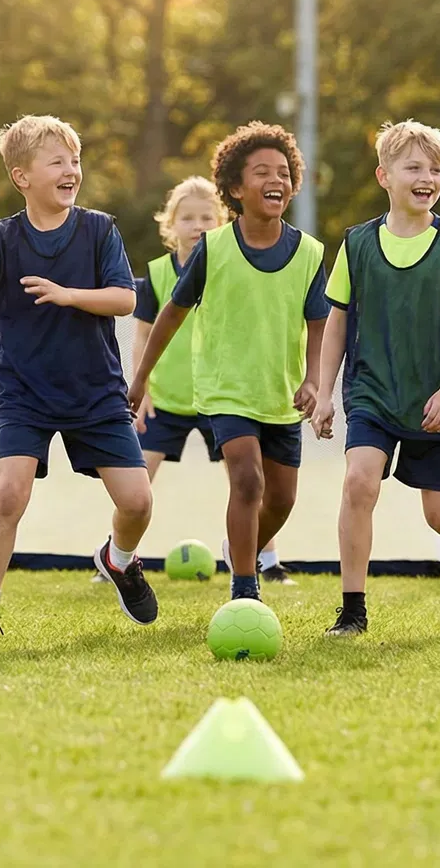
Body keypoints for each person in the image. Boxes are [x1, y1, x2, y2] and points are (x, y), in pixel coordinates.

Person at [0, 115, 157, 640]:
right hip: (24, 392)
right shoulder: (1, 237)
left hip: (95, 391)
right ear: (21, 177)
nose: (70, 170)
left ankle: (119, 558)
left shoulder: (99, 229)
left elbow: (126, 298)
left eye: (74, 161)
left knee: (137, 502)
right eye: (56, 161)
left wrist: (68, 294)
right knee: (8, 493)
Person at [310, 121, 440, 635]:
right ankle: (352, 611)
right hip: (371, 392)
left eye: (435, 169)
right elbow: (336, 324)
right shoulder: (357, 244)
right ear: (384, 176)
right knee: (358, 483)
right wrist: (324, 394)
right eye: (414, 167)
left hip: (435, 401)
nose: (427, 177)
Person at [131, 122, 329, 605]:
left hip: (280, 394)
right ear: (236, 189)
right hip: (225, 390)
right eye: (261, 172)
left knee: (280, 501)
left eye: (283, 171)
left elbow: (319, 320)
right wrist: (139, 381)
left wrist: (313, 380)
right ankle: (245, 589)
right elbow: (171, 315)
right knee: (248, 480)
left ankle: (240, 548)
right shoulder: (213, 248)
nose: (275, 179)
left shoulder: (309, 253)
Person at [129, 176, 294, 585]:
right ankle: (119, 556)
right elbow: (143, 335)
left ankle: (268, 561)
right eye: (187, 217)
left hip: (219, 396)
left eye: (207, 217)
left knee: (247, 483)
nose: (197, 224)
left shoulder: (228, 263)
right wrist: (143, 386)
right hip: (166, 398)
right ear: (170, 224)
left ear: (221, 221)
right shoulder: (156, 274)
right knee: (135, 480)